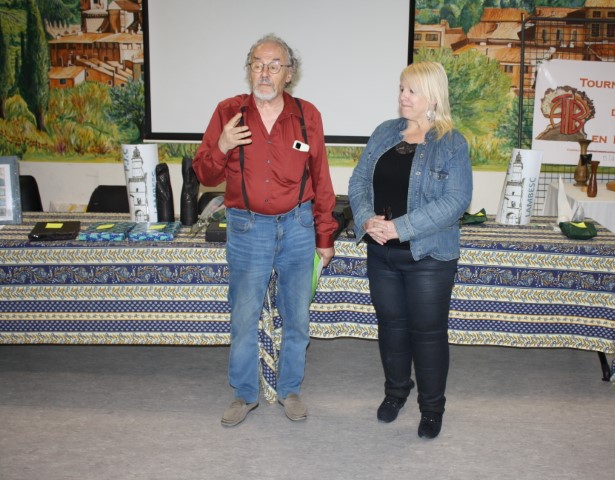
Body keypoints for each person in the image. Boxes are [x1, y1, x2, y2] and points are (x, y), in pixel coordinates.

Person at [193, 34, 337, 427]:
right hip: (247, 228)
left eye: (274, 65)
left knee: (297, 317)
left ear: (289, 73)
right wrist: (222, 145)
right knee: (244, 317)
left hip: (298, 227)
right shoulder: (228, 112)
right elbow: (204, 173)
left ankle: (290, 390)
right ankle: (244, 394)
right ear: (249, 70)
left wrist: (325, 235)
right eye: (257, 64)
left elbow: (321, 178)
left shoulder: (307, 116)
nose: (264, 72)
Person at [348, 61, 472, 439]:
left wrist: (400, 228)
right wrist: (365, 219)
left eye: (412, 90)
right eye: (402, 88)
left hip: (429, 257)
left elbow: (456, 201)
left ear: (433, 96)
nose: (403, 96)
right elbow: (359, 181)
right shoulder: (384, 132)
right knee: (391, 328)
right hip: (381, 253)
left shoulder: (451, 142)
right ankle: (396, 392)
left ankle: (432, 408)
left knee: (427, 333)